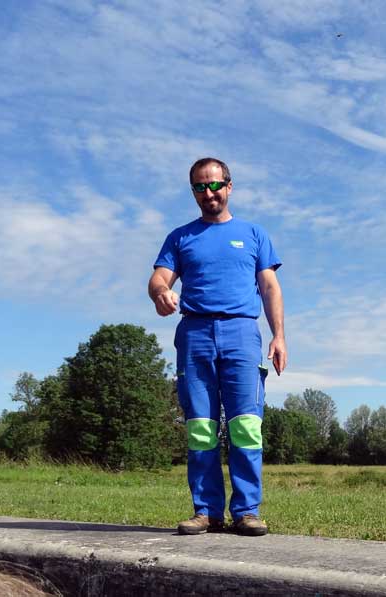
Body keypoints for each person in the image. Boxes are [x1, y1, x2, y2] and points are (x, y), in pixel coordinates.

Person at [148, 157, 286, 536]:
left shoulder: (254, 234)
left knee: (245, 425)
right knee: (200, 429)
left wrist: (278, 336)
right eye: (199, 187)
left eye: (214, 185)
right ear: (193, 190)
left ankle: (246, 511)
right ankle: (206, 511)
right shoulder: (180, 237)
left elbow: (270, 287)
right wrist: (161, 292)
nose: (208, 193)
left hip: (242, 333)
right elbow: (159, 277)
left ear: (229, 186)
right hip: (194, 335)